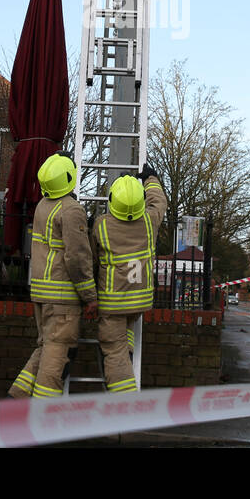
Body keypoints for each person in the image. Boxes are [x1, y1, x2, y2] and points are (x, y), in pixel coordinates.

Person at [9, 154, 97, 398]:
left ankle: (16, 397)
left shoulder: (42, 207)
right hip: (63, 298)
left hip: (41, 293)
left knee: (46, 348)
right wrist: (90, 296)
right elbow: (77, 258)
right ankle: (43, 417)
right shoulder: (71, 210)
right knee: (57, 355)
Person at [91, 166, 167, 392]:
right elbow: (159, 202)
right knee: (127, 330)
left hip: (113, 302)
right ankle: (129, 351)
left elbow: (92, 259)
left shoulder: (101, 225)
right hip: (140, 300)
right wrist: (151, 179)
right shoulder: (149, 221)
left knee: (114, 352)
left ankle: (125, 402)